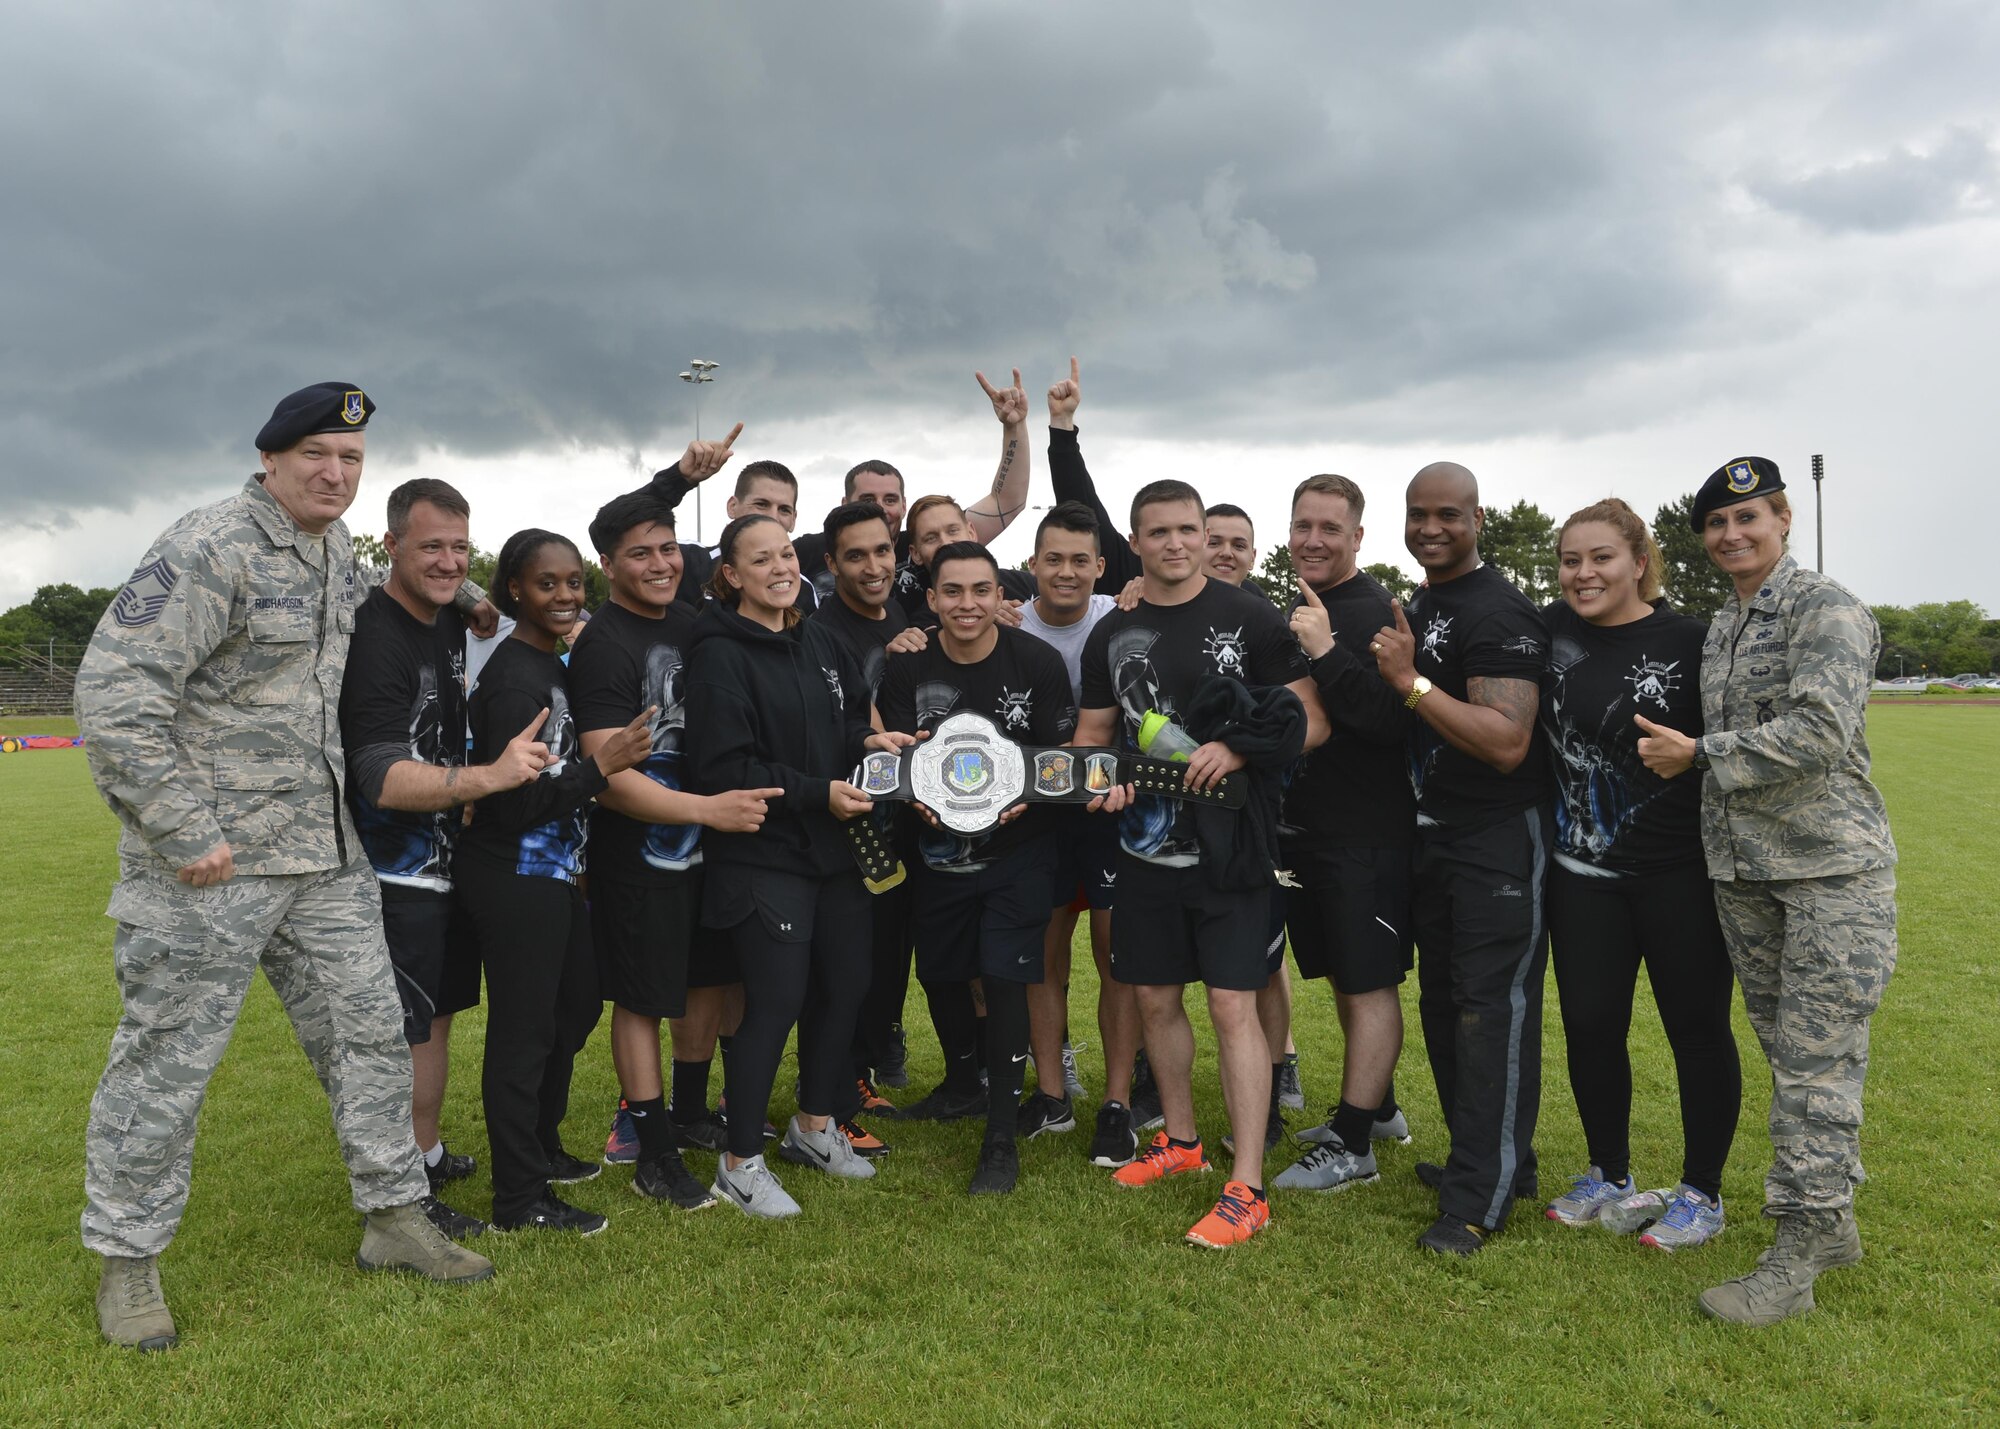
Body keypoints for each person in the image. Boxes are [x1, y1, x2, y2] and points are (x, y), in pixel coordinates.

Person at [75, 383, 493, 1352]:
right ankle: (129, 1265)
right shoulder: (209, 545)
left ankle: (394, 1217)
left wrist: (470, 595)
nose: (334, 473)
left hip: (320, 857)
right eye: (315, 454)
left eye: (349, 459)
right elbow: (113, 692)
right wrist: (184, 830)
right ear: (270, 458)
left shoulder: (329, 556)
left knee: (370, 1039)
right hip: (208, 870)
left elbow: (387, 590)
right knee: (164, 1069)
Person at [1635, 458, 1897, 1325]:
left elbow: (1822, 733)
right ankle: (1834, 1221)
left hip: (1829, 875)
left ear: (1783, 516)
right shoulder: (1724, 622)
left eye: (1747, 517)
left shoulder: (1826, 609)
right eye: (1715, 524)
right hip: (1747, 873)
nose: (1731, 535)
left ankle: (1801, 1245)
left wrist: (1699, 753)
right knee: (1794, 1060)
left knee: (1815, 1070)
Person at [1075, 480, 1327, 1248]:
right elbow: (1092, 735)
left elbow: (1312, 721)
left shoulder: (1248, 616)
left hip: (1235, 851)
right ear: (1136, 538)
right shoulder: (1110, 632)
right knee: (1153, 998)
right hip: (1146, 851)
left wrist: (1239, 745)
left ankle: (1246, 1183)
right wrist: (1103, 783)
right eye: (1160, 532)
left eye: (1188, 529)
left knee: (1230, 1006)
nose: (1178, 544)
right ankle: (1180, 1141)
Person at [340, 476, 555, 1240]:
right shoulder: (377, 635)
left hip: (442, 861)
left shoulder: (444, 613)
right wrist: (490, 776)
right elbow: (380, 774)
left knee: (437, 1018)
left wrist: (469, 596)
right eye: (429, 545)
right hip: (394, 870)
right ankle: (403, 1184)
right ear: (389, 542)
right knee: (402, 1031)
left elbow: (454, 588)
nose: (446, 559)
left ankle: (423, 1152)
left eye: (459, 546)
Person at [683, 514, 915, 1218]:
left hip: (834, 849)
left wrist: (875, 740)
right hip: (764, 850)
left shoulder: (821, 639)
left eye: (786, 552)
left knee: (846, 984)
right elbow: (725, 766)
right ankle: (739, 1161)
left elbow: (843, 725)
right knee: (776, 1001)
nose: (780, 567)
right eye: (761, 559)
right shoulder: (718, 652)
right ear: (732, 574)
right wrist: (820, 793)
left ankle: (814, 1126)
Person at [568, 491, 782, 1211]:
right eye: (639, 553)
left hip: (706, 849)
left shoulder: (695, 624)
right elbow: (609, 778)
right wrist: (707, 810)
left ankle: (690, 1112)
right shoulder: (603, 644)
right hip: (641, 855)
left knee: (709, 981)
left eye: (667, 549)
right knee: (642, 996)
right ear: (607, 564)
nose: (659, 563)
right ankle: (653, 1151)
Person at [1535, 498, 1740, 1249]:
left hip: (1677, 872)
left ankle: (1701, 1192)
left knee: (1695, 1028)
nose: (1583, 573)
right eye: (1569, 559)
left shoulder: (1693, 639)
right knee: (1591, 1025)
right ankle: (1608, 1172)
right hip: (1581, 876)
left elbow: (1735, 732)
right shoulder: (1549, 629)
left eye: (1600, 558)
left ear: (1639, 561)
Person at [1368, 461, 1551, 1258]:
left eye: (1447, 513)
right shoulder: (1424, 601)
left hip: (1496, 840)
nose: (1430, 528)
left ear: (1479, 518)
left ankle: (1480, 1197)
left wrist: (1409, 684)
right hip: (1433, 837)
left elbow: (1507, 742)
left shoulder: (1498, 608)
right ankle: (1494, 1162)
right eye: (1417, 514)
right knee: (1446, 1006)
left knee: (1489, 1012)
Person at [455, 529, 654, 1234]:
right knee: (526, 1032)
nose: (567, 595)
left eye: (574, 582)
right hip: (513, 873)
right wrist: (604, 767)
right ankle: (518, 1198)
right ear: (514, 589)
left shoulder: (554, 662)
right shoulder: (513, 677)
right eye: (548, 583)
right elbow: (510, 802)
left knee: (573, 1009)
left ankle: (538, 1149)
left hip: (558, 873)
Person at [878, 542, 1078, 1193]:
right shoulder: (907, 665)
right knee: (939, 972)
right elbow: (898, 757)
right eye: (953, 591)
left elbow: (1060, 755)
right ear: (932, 598)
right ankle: (964, 1081)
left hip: (1020, 851)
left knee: (1005, 974)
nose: (968, 604)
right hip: (935, 853)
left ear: (1000, 596)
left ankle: (999, 1138)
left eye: (981, 590)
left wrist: (1028, 794)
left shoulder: (1038, 662)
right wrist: (918, 798)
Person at [1269, 474, 1419, 1194]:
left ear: (1359, 536)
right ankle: (1378, 1106)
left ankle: (1353, 1145)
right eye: (1304, 525)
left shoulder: (1379, 613)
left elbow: (1392, 724)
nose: (1314, 539)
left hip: (1367, 834)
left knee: (1369, 985)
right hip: (1308, 833)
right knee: (1341, 975)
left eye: (1331, 527)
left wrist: (1329, 651)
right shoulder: (1299, 608)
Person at [653, 370, 1034, 612]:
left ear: (903, 505)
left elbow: (1006, 503)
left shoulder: (926, 544)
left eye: (890, 500)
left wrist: (1013, 428)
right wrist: (681, 479)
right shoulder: (804, 553)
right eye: (867, 500)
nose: (881, 510)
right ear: (844, 506)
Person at [1014, 499, 1139, 1165]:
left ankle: (1117, 1102)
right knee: (1043, 948)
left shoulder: (1122, 617)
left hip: (1110, 805)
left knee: (1118, 951)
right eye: (1052, 559)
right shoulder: (1005, 620)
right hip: (1037, 811)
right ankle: (1052, 1092)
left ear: (1101, 566)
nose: (1065, 572)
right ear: (1032, 563)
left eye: (1079, 561)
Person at [809, 501, 929, 1135]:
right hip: (846, 821)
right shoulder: (818, 630)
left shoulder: (908, 613)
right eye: (856, 555)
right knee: (843, 966)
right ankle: (833, 1097)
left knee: (885, 957)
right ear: (831, 564)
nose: (874, 566)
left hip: (902, 820)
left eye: (883, 551)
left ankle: (856, 1075)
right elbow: (850, 723)